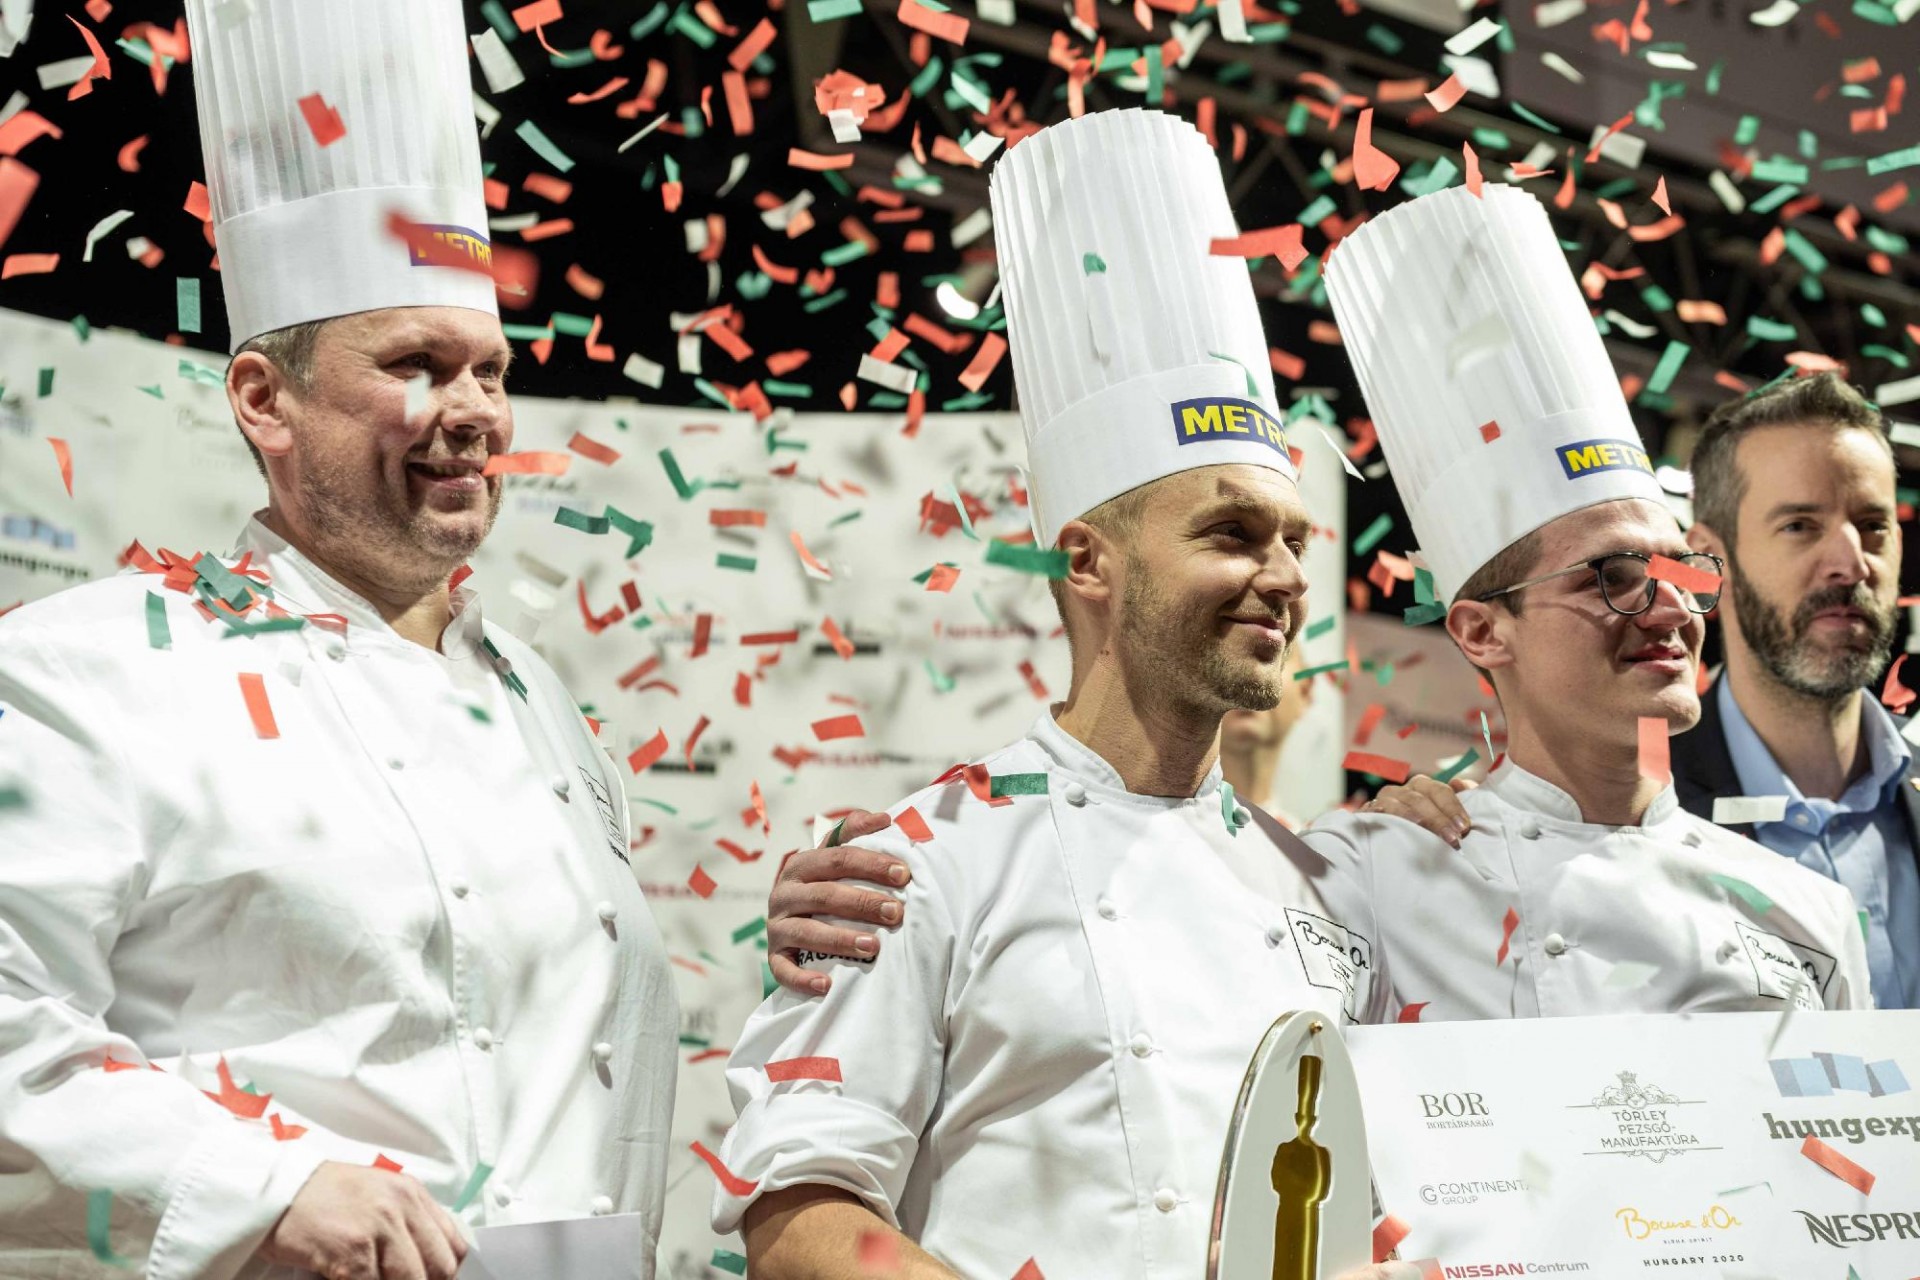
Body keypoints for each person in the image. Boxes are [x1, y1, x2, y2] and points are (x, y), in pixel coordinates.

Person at [0, 3, 676, 1277]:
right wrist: (260, 1188)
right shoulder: (85, 671)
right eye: (418, 362)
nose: (471, 411)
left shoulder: (541, 699)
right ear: (265, 398)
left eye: (491, 368)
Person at [714, 108, 1416, 1280]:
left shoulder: (1326, 887)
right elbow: (803, 1216)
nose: (1289, 577)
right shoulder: (916, 861)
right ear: (1088, 561)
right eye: (1234, 534)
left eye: (1293, 538)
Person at [1300, 181, 1872, 1019]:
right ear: (1483, 629)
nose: (1673, 609)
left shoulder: (1807, 914)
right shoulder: (1369, 876)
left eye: (1682, 570)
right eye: (1613, 575)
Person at [1673, 373, 1917, 1010]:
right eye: (1801, 526)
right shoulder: (1631, 811)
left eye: (1873, 526)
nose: (1850, 562)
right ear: (1707, 564)